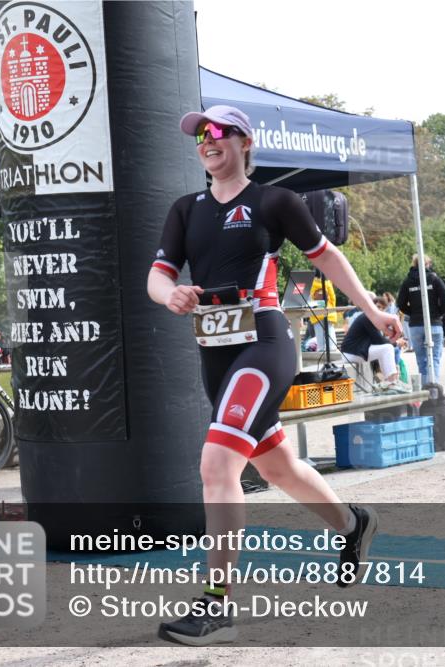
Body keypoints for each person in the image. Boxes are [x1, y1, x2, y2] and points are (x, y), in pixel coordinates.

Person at [148, 105, 397, 645]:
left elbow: (327, 258)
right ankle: (354, 524)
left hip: (263, 343)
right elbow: (157, 275)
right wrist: (172, 294)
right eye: (201, 136)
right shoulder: (185, 210)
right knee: (279, 467)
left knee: (216, 465)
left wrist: (372, 313)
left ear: (244, 140)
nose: (208, 142)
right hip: (214, 349)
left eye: (218, 133)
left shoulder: (274, 201)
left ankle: (217, 602)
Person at [396, 254, 445, 385]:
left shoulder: (407, 282)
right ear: (427, 264)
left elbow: (400, 303)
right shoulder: (434, 279)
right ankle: (434, 386)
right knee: (435, 358)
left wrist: (413, 313)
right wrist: (439, 313)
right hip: (434, 324)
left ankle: (426, 388)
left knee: (421, 359)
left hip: (416, 326)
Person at [342, 296, 408, 393]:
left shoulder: (371, 318)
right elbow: (379, 341)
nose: (378, 309)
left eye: (380, 307)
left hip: (356, 351)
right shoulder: (368, 317)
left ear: (384, 309)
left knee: (387, 348)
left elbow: (378, 341)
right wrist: (397, 342)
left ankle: (389, 381)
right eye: (376, 306)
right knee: (388, 348)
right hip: (351, 353)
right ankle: (392, 382)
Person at [309, 269, 337, 352]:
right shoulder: (328, 283)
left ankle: (321, 349)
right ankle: (332, 349)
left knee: (319, 336)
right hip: (328, 311)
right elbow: (332, 298)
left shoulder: (311, 284)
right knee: (330, 333)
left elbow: (310, 299)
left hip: (316, 313)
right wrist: (332, 308)